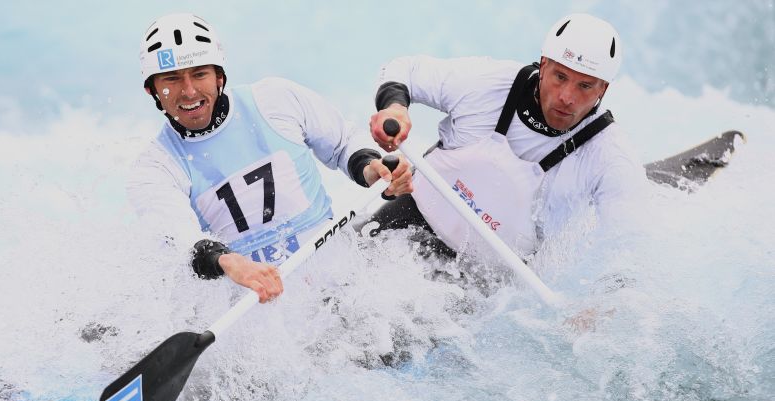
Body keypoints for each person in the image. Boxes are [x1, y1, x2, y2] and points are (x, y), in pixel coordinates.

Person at [127, 13, 413, 303]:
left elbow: (343, 144)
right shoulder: (155, 168)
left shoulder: (275, 99)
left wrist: (372, 169)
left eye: (199, 74)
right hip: (259, 308)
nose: (189, 91)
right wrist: (229, 262)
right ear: (152, 90)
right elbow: (181, 241)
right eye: (172, 79)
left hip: (341, 279)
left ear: (219, 77)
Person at [367, 13, 647, 257]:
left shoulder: (611, 157)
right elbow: (403, 69)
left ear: (603, 90)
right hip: (406, 222)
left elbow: (626, 249)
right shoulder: (487, 83)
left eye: (585, 86)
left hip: (489, 285)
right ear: (543, 64)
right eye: (560, 77)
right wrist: (394, 109)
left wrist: (597, 306)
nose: (567, 98)